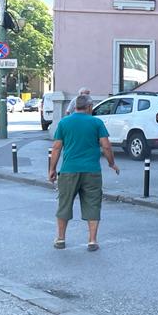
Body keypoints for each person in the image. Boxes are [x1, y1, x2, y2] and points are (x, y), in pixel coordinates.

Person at [48, 93, 119, 251]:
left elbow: (56, 148)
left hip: (69, 170)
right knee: (93, 204)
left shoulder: (64, 122)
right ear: (89, 107)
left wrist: (52, 169)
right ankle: (92, 241)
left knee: (64, 204)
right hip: (91, 171)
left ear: (75, 107)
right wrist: (111, 163)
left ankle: (60, 239)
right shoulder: (96, 122)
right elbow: (106, 146)